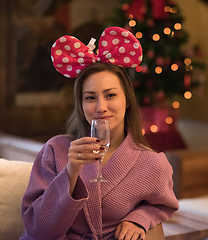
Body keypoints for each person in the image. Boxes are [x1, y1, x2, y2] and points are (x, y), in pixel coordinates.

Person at [20, 27, 179, 240]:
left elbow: (162, 205)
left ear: (127, 100)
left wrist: (140, 218)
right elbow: (38, 229)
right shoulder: (54, 151)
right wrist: (70, 172)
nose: (101, 106)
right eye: (90, 98)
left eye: (110, 95)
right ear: (81, 104)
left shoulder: (151, 164)